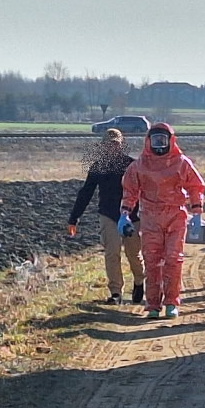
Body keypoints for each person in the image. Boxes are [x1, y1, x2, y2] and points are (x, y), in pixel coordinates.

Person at [119, 123, 205, 319]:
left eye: (163, 141)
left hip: (175, 215)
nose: (159, 145)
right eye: (156, 140)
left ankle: (171, 302)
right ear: (148, 142)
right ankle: (152, 304)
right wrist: (124, 213)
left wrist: (197, 211)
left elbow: (195, 186)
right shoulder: (139, 165)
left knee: (173, 260)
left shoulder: (181, 162)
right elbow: (130, 190)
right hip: (150, 216)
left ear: (171, 141)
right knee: (151, 260)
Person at [67, 128, 144, 305]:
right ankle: (116, 293)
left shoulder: (133, 166)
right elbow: (85, 193)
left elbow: (145, 191)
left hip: (132, 216)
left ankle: (139, 281)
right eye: (109, 144)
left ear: (121, 145)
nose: (112, 147)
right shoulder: (98, 167)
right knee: (112, 254)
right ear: (103, 146)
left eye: (115, 144)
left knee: (134, 254)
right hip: (108, 215)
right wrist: (74, 218)